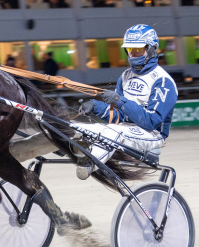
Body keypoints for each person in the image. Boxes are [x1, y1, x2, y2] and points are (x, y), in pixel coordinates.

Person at [76, 24, 177, 180]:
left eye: (138, 49)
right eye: (129, 49)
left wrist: (119, 101)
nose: (132, 53)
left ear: (152, 49)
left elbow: (152, 121)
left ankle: (89, 163)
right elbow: (119, 116)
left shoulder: (163, 81)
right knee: (82, 127)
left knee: (111, 132)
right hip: (126, 130)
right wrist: (96, 106)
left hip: (153, 135)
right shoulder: (125, 76)